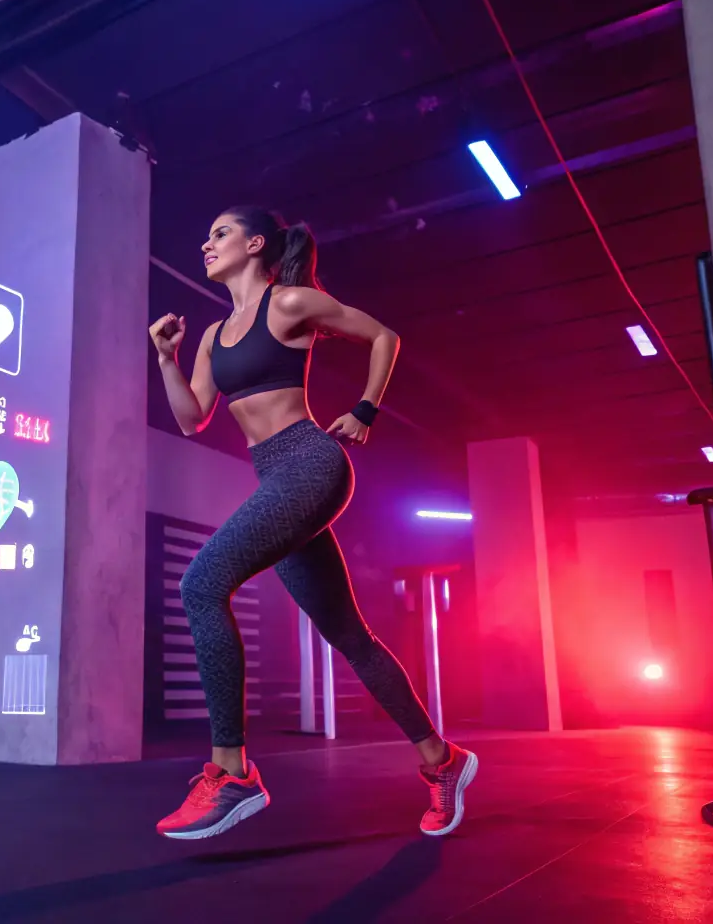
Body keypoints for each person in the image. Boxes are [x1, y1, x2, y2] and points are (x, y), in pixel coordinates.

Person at [148, 206, 478, 841]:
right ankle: (444, 761)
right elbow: (193, 418)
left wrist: (363, 410)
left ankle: (232, 771)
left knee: (199, 586)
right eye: (207, 233)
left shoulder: (291, 303)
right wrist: (166, 358)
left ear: (255, 243)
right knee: (350, 636)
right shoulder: (214, 336)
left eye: (219, 233)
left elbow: (384, 336)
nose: (205, 242)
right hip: (276, 478)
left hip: (310, 462)